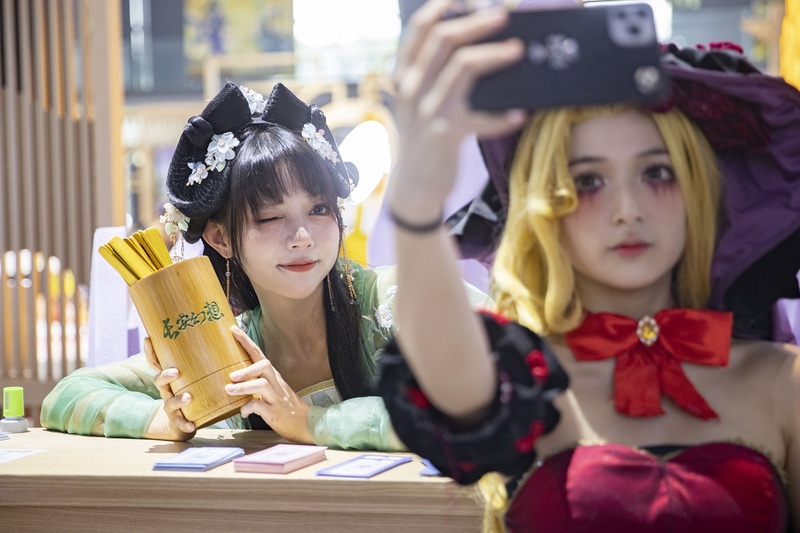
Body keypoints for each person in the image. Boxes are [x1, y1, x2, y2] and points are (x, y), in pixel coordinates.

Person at [378, 1, 800, 531]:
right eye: (588, 181)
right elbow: (444, 376)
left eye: (658, 173)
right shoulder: (524, 386)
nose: (629, 210)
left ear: (700, 190)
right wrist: (419, 201)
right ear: (544, 204)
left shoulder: (784, 382)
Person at [40, 80, 490, 448]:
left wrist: (309, 421)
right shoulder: (225, 346)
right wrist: (162, 419)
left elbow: (488, 396)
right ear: (220, 237)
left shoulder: (398, 300)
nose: (302, 237)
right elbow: (67, 396)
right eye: (271, 217)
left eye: (318, 210)